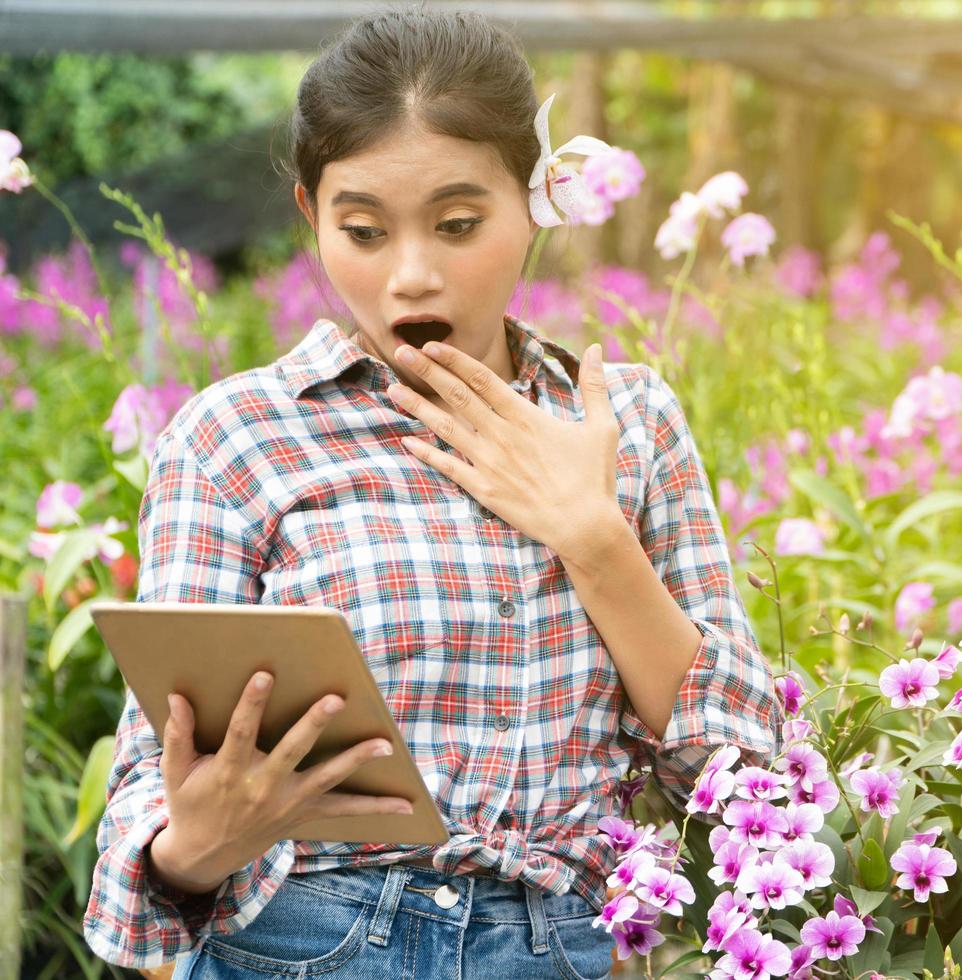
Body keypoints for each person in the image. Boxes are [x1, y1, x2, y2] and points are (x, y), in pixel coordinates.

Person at [81, 6, 781, 977]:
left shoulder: (627, 425)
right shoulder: (234, 438)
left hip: (550, 946)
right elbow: (145, 797)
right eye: (362, 229)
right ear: (309, 214)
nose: (411, 275)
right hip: (292, 940)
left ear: (534, 202)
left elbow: (740, 775)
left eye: (458, 224)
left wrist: (596, 538)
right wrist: (193, 844)